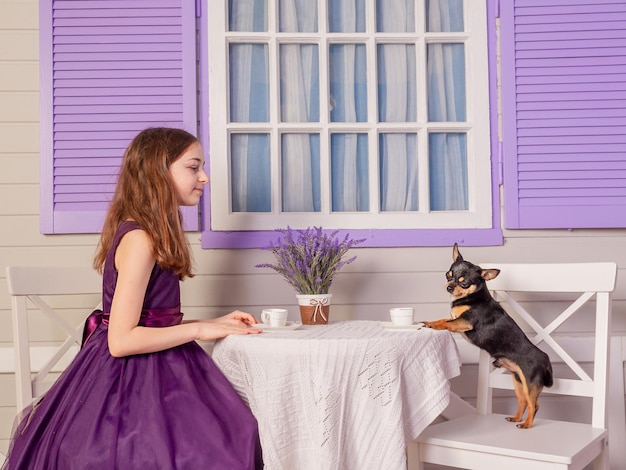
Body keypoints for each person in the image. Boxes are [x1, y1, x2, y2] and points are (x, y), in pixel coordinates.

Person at [2, 127, 264, 469]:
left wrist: (213, 323)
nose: (204, 177)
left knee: (235, 427)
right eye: (193, 167)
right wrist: (198, 332)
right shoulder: (141, 240)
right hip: (128, 375)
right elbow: (121, 341)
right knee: (200, 445)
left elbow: (153, 317)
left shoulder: (153, 233)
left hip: (161, 361)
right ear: (158, 171)